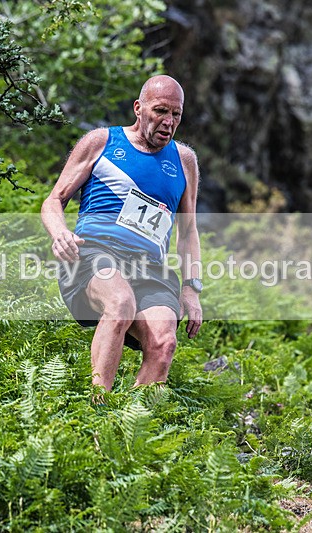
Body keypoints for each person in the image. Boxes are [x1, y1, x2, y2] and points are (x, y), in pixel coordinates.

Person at [40, 75, 203, 392]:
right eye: (160, 111)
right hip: (94, 255)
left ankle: (129, 424)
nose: (168, 122)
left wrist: (191, 288)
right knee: (120, 302)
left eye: (176, 115)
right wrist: (59, 233)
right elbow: (54, 200)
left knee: (164, 344)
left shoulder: (184, 161)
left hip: (149, 268)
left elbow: (188, 231)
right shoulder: (102, 142)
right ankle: (98, 407)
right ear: (138, 108)